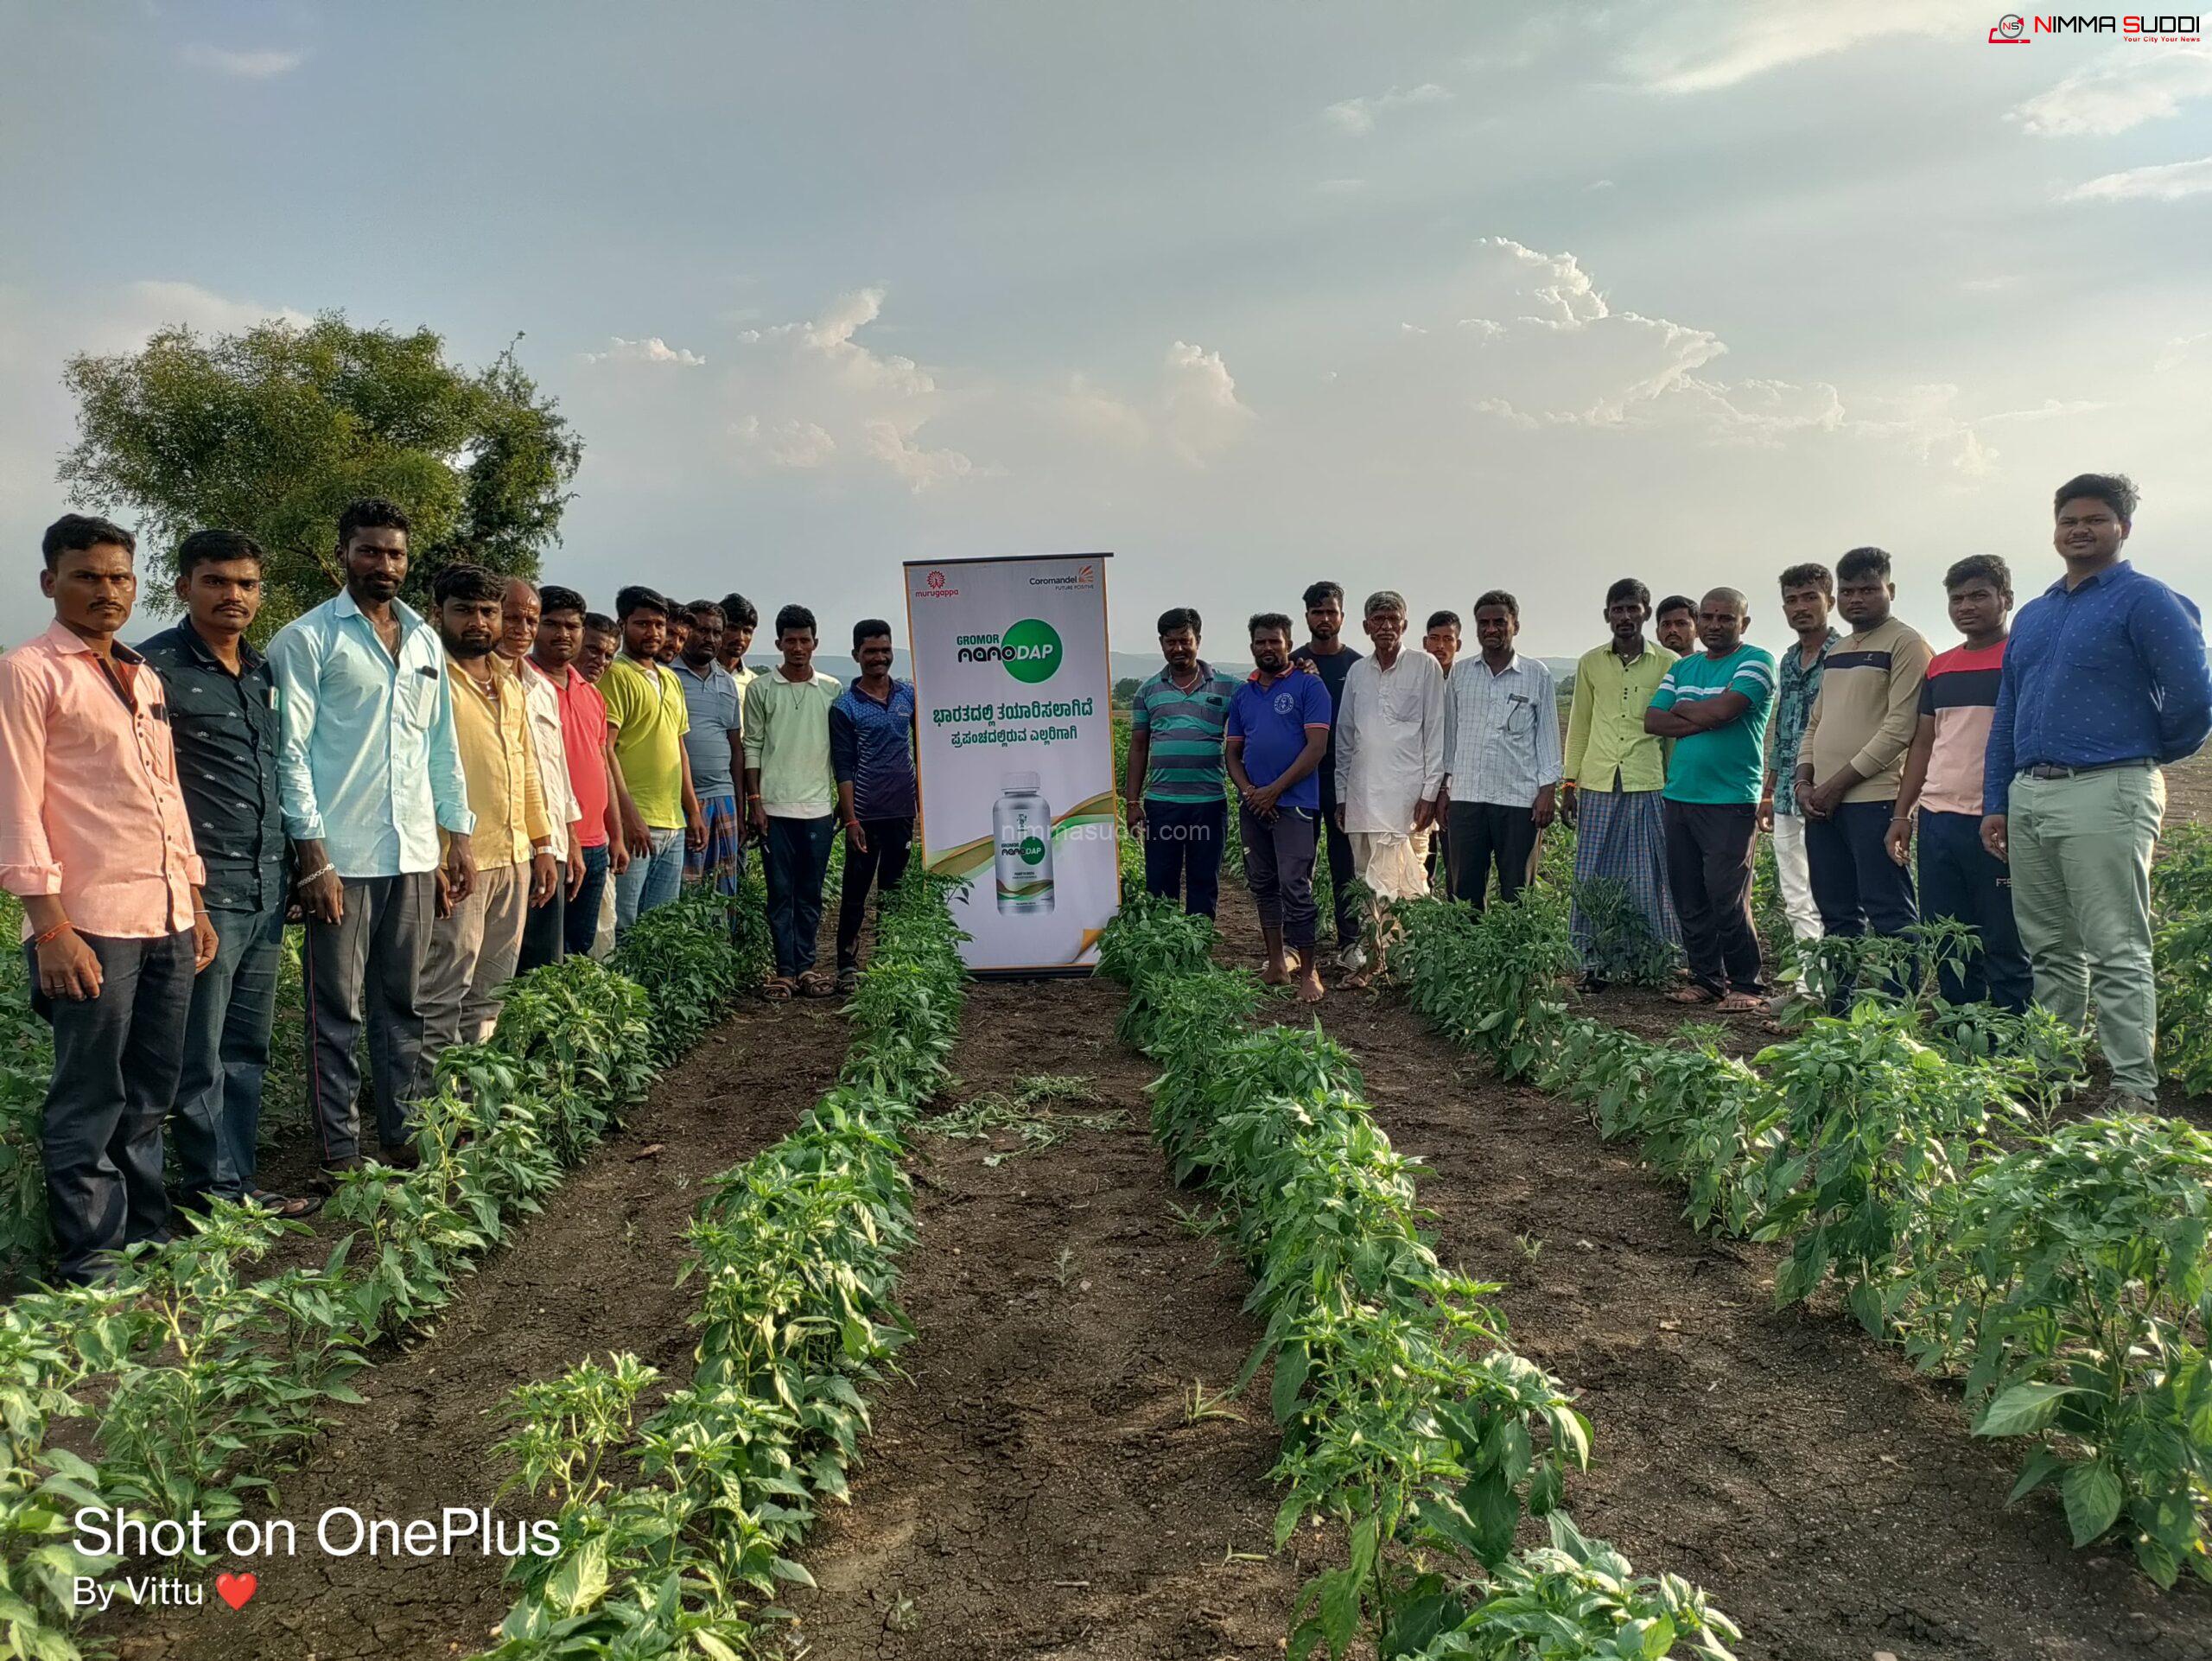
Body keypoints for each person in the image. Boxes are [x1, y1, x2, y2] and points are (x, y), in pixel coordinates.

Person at [0, 514, 217, 1282]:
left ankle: (147, 1240)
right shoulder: (29, 671)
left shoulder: (142, 675)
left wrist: (191, 894)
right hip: (88, 921)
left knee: (151, 1089)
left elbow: (166, 795)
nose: (106, 590)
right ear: (49, 581)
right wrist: (49, 925)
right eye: (87, 575)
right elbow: (15, 801)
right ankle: (93, 1266)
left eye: (120, 576)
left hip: (164, 913)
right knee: (90, 1097)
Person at [1984, 472, 2212, 1106]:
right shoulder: (2034, 614)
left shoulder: (2147, 601)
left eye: (2095, 519)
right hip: (2031, 792)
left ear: (2123, 528)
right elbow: (2009, 710)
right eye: (2068, 520)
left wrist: (2141, 754)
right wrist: (1997, 800)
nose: (2079, 530)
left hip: (2108, 789)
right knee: (2051, 947)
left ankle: (2134, 1089)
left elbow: (2195, 698)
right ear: (2054, 529)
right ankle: (2049, 1071)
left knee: (2115, 946)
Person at [269, 499, 474, 1187]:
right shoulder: (307, 640)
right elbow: (290, 752)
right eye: (370, 551)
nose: (384, 564)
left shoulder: (422, 640)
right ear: (344, 553)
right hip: (344, 861)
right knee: (337, 1008)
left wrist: (457, 839)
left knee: (403, 1004)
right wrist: (313, 854)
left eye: (394, 553)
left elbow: (440, 747)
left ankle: (405, 1132)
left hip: (414, 852)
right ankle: (340, 1151)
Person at [137, 531, 313, 1218]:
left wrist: (295, 869)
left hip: (265, 885)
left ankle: (236, 1188)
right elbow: (151, 789)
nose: (232, 596)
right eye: (215, 581)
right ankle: (209, 1194)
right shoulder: (154, 670)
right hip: (204, 893)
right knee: (198, 1053)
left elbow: (274, 774)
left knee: (247, 1047)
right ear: (184, 587)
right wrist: (190, 892)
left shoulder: (264, 672)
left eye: (245, 584)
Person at [421, 565, 556, 1052]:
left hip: (514, 857)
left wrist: (541, 844)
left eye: (488, 611)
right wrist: (431, 857)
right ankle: (432, 1115)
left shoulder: (511, 681)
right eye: (464, 611)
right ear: (439, 613)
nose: (478, 621)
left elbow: (525, 770)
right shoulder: (427, 676)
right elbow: (412, 774)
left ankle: (471, 1106)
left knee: (490, 994)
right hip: (458, 862)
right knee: (442, 994)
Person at [1885, 557, 2029, 1011]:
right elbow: (1923, 745)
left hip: (1998, 818)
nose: (1966, 607)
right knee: (1947, 933)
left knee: (2004, 936)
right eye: (1957, 598)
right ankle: (1959, 1031)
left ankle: (2011, 1036)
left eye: (1979, 596)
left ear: (2006, 599)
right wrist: (1902, 814)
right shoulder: (1941, 668)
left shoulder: (2021, 660)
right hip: (1939, 818)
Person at [1796, 547, 1931, 978]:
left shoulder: (1906, 643)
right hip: (1821, 803)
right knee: (1836, 914)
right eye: (1849, 591)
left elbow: (1899, 729)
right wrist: (1803, 781)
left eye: (1869, 589)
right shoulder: (1838, 650)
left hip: (1874, 800)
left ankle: (1895, 1018)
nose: (1857, 599)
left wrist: (1835, 785)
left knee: (1889, 913)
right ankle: (1841, 1013)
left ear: (1890, 590)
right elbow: (1816, 722)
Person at [1644, 589, 1776, 1012]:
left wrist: (1686, 711)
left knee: (1727, 893)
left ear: (1744, 623)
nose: (1716, 625)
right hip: (1679, 793)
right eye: (1710, 617)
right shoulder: (1685, 666)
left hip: (1731, 798)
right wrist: (1708, 713)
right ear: (1699, 621)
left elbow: (1726, 711)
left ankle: (1747, 985)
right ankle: (1705, 978)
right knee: (1688, 893)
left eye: (1727, 618)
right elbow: (1652, 720)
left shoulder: (1757, 661)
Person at [1561, 578, 1680, 985]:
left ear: (1646, 612)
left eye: (1633, 608)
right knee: (1593, 873)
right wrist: (1570, 783)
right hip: (1597, 780)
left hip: (1648, 781)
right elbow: (1580, 725)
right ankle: (1592, 961)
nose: (1625, 617)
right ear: (1607, 614)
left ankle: (1648, 960)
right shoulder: (1591, 663)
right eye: (1617, 609)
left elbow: (1671, 736)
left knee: (1647, 873)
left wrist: (1673, 786)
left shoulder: (1667, 663)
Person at [1332, 589, 1446, 978]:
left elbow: (1436, 732)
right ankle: (1376, 961)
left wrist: (1430, 794)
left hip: (1408, 801)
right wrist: (1342, 795)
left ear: (1405, 624)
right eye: (1377, 620)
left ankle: (1410, 965)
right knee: (1368, 883)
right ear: (1366, 627)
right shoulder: (1358, 674)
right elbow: (1346, 737)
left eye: (1392, 619)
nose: (1385, 626)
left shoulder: (1425, 666)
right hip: (1363, 798)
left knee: (1408, 884)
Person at [1225, 614, 1331, 1003]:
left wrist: (1274, 791)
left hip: (1295, 805)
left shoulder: (1310, 686)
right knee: (1264, 885)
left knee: (1295, 886)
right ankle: (1275, 964)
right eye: (1260, 642)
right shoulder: (1243, 695)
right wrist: (1252, 792)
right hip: (1255, 805)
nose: (1267, 648)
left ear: (1289, 644)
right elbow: (1232, 753)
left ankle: (1309, 972)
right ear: (1251, 646)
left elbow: (1315, 749)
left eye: (1275, 642)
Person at [1440, 590, 1560, 911]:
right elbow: (1450, 737)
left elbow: (1548, 737)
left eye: (1499, 622)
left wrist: (1547, 790)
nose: (1491, 629)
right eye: (1483, 623)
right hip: (1467, 797)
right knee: (1464, 893)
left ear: (1515, 625)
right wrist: (1444, 788)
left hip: (1518, 800)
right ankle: (1466, 958)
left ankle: (1515, 955)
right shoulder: (1461, 674)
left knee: (1517, 892)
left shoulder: (1536, 675)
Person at [744, 603, 842, 997]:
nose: (797, 648)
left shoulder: (832, 690)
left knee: (810, 893)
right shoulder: (761, 689)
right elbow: (752, 745)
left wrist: (843, 804)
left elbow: (840, 752)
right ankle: (785, 970)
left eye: (804, 641)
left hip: (818, 809)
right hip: (775, 810)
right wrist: (756, 801)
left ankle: (807, 967)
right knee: (780, 892)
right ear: (779, 643)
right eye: (790, 641)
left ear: (815, 644)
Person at [531, 585, 626, 961]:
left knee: (580, 948)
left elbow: (601, 766)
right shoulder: (523, 685)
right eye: (550, 624)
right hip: (548, 842)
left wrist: (614, 834)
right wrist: (562, 837)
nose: (562, 634)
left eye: (572, 626)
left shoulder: (591, 693)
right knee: (543, 952)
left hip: (594, 842)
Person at [602, 586, 704, 938]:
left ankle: (653, 995)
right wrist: (628, 816)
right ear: (622, 624)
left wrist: (692, 811)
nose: (654, 633)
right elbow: (606, 749)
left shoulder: (670, 679)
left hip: (672, 824)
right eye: (642, 624)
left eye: (659, 625)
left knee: (659, 928)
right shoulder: (615, 675)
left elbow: (679, 749)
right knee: (625, 925)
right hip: (636, 824)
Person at [1126, 607, 1237, 919]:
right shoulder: (1147, 691)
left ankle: (1198, 945)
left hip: (1209, 802)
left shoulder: (1229, 687)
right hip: (1163, 803)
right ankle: (1165, 943)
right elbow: (1138, 747)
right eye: (1170, 642)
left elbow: (1264, 694)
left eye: (1184, 641)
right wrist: (1132, 802)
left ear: (1198, 640)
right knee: (1160, 880)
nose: (1177, 648)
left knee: (1204, 877)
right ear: (1161, 643)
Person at [830, 620, 918, 991]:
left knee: (893, 891)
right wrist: (851, 819)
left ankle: (887, 959)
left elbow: (924, 746)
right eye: (870, 652)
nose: (879, 658)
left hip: (902, 811)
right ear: (856, 656)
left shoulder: (908, 696)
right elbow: (844, 765)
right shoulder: (845, 707)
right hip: (865, 814)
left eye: (884, 650)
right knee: (855, 892)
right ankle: (847, 965)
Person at [504, 579, 586, 975]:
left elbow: (555, 772)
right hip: (506, 846)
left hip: (548, 845)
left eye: (530, 619)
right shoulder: (477, 683)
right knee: (496, 966)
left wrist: (569, 839)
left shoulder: (540, 688)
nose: (522, 629)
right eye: (511, 618)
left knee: (542, 966)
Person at [1764, 565, 1838, 946]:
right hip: (1787, 795)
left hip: (1829, 790)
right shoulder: (1789, 660)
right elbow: (1783, 725)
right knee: (1795, 894)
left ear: (1831, 601)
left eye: (1810, 597)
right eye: (1791, 600)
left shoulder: (1844, 654)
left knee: (1833, 895)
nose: (1800, 607)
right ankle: (1810, 989)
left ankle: (1840, 987)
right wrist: (1771, 783)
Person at [1293, 581, 1365, 966]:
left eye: (1331, 612)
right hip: (1302, 778)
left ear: (1342, 616)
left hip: (1344, 781)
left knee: (1345, 864)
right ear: (1307, 616)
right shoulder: (1292, 662)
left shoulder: (1358, 665)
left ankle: (1350, 942)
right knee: (1299, 863)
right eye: (1317, 612)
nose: (1325, 618)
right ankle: (1296, 942)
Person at [673, 600, 745, 897]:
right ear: (685, 631)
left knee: (723, 890)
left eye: (716, 632)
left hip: (723, 797)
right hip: (683, 803)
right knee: (687, 892)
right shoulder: (668, 677)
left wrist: (741, 808)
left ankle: (722, 944)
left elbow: (735, 746)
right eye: (701, 630)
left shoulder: (727, 682)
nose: (710, 638)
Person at [1421, 609, 1461, 894]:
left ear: (1458, 644)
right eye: (1434, 638)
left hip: (1455, 783)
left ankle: (1456, 921)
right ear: (1425, 642)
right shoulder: (1416, 680)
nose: (1440, 646)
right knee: (1422, 857)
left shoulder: (1465, 681)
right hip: (1420, 780)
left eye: (1448, 639)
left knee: (1456, 856)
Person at [576, 613, 620, 684]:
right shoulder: (552, 687)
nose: (602, 661)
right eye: (594, 650)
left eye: (608, 657)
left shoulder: (595, 694)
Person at [1655, 595, 1699, 659]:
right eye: (1666, 624)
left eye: (1681, 624)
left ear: (1698, 630)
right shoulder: (1649, 666)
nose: (1672, 630)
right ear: (1657, 633)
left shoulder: (1708, 666)